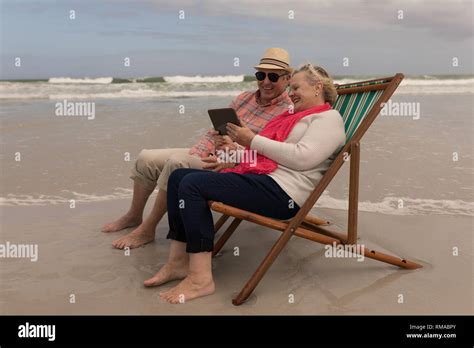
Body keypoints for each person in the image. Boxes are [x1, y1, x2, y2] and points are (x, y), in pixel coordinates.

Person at [143, 63, 347, 303]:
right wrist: (232, 155)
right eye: (290, 87)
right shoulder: (295, 117)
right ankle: (178, 263)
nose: (290, 93)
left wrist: (253, 139)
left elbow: (301, 158)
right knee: (180, 177)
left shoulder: (328, 118)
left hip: (284, 195)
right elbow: (270, 159)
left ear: (317, 88)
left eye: (296, 87)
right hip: (266, 181)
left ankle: (201, 280)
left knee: (192, 186)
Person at [101, 48, 293, 249]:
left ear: (287, 79)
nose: (266, 81)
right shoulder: (244, 98)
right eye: (261, 75)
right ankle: (134, 216)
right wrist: (205, 149)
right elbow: (215, 131)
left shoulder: (287, 112)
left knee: (177, 163)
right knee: (146, 158)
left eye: (273, 76)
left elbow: (269, 155)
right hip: (212, 154)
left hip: (234, 167)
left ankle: (147, 230)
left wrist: (233, 152)